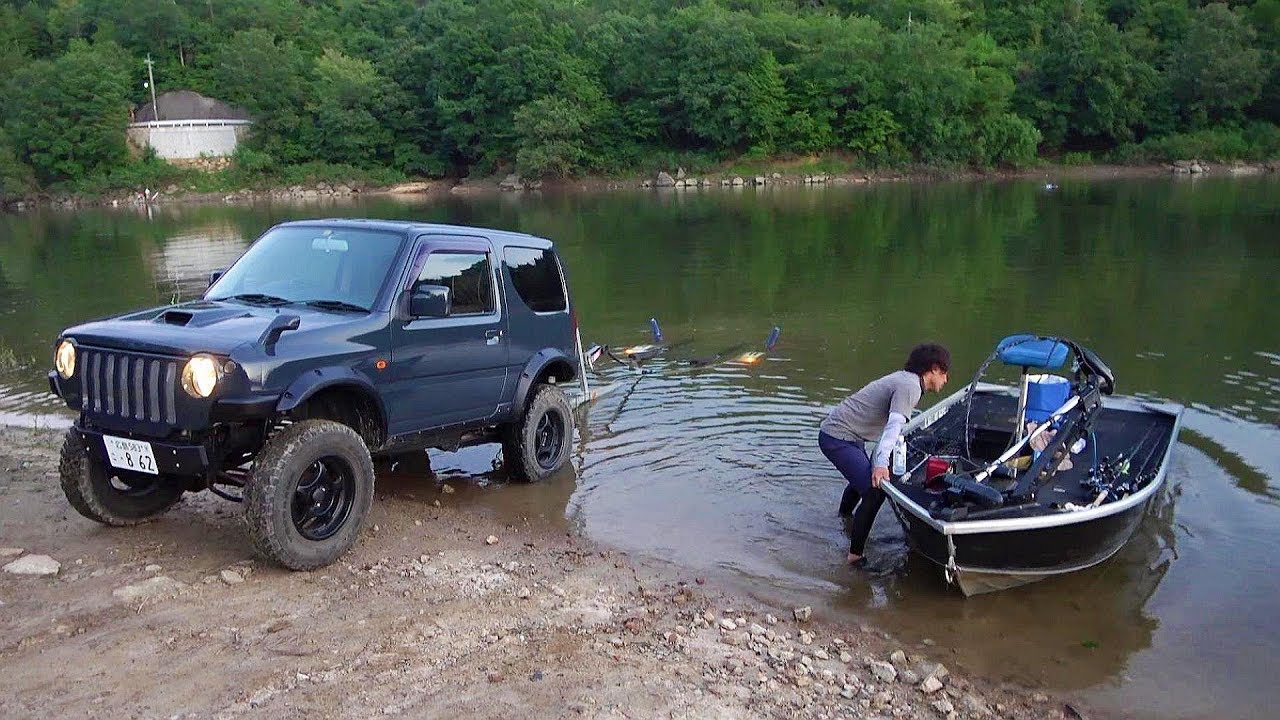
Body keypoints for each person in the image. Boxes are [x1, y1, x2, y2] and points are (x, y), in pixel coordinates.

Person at [818, 343, 951, 566]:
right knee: (875, 491)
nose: (946, 380)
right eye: (945, 373)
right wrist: (881, 464)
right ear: (934, 368)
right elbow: (893, 427)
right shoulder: (910, 386)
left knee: (864, 479)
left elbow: (893, 429)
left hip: (848, 434)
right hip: (838, 436)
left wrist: (880, 461)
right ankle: (855, 557)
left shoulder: (907, 381)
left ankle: (844, 519)